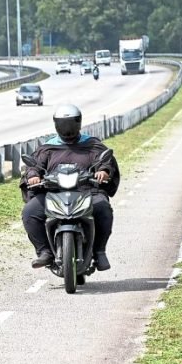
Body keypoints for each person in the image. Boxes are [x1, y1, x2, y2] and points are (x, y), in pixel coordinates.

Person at [21, 104, 118, 271]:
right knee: (30, 212)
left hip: (87, 191)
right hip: (53, 192)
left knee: (103, 208)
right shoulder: (47, 147)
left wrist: (103, 171)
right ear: (56, 124)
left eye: (71, 123)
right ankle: (45, 252)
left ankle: (99, 251)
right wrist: (33, 176)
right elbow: (34, 165)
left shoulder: (92, 145)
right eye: (63, 123)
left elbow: (104, 161)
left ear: (78, 122)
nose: (67, 128)